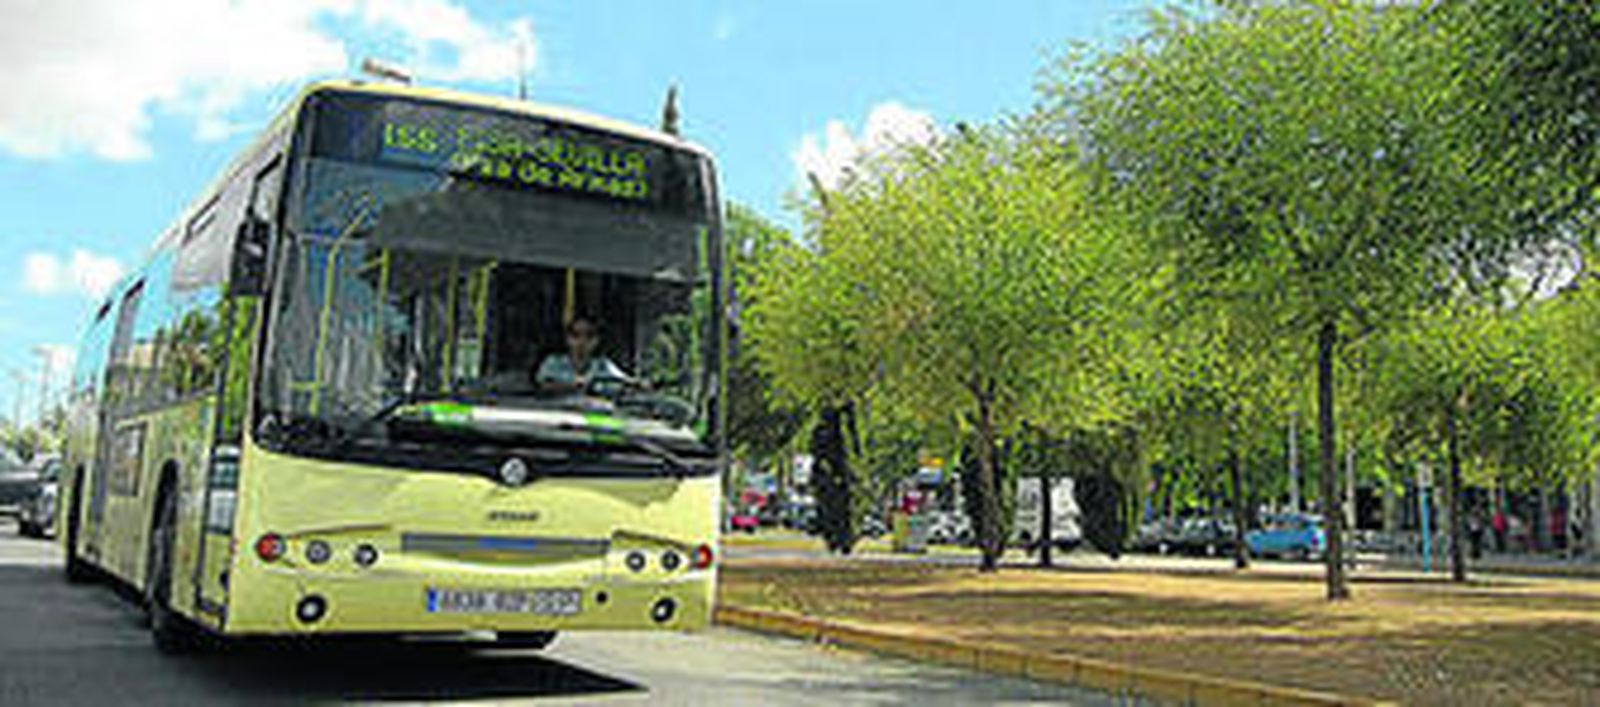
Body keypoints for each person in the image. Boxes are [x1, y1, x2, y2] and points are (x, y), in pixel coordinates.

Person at [535, 315, 632, 395]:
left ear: (597, 340)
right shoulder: (553, 362)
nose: (582, 342)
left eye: (589, 336)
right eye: (576, 335)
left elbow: (624, 382)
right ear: (567, 339)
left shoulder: (603, 365)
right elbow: (543, 386)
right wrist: (571, 385)